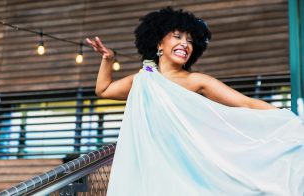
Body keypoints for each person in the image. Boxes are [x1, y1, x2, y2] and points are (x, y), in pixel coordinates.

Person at [87, 7, 304, 196]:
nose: (185, 44)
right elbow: (104, 90)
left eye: (190, 40)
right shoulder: (144, 78)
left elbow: (245, 103)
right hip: (150, 168)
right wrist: (108, 60)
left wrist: (286, 117)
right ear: (158, 44)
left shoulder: (196, 80)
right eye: (177, 36)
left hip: (185, 170)